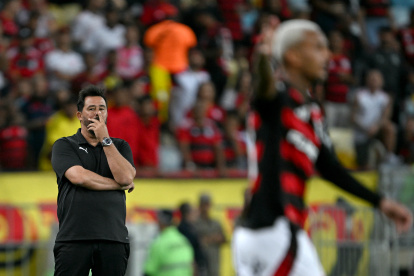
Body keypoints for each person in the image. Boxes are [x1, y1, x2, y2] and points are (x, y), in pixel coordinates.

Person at [232, 19, 412, 276]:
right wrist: (264, 58)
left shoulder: (312, 113)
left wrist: (380, 202)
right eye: (318, 47)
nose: (327, 55)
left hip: (276, 234)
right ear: (292, 56)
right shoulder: (276, 100)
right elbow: (262, 90)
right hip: (271, 229)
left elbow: (332, 169)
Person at [51, 85, 136, 275]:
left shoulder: (120, 146)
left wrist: (105, 139)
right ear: (80, 115)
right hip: (74, 238)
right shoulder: (64, 145)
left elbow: (126, 176)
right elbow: (79, 177)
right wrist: (118, 185)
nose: (97, 113)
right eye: (91, 109)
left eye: (102, 108)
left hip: (113, 239)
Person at [351, 69, 399, 169]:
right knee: (365, 165)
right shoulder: (359, 95)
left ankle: (389, 156)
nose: (374, 81)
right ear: (367, 80)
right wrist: (365, 128)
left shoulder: (385, 97)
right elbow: (352, 117)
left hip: (377, 131)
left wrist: (376, 128)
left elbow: (386, 116)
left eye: (377, 79)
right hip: (362, 131)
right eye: (372, 79)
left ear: (382, 81)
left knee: (390, 127)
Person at [144, 209, 194, 276]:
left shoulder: (159, 243)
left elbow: (149, 270)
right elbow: (192, 265)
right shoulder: (183, 240)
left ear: (160, 223)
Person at [194, 193, 226, 276]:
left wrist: (208, 239)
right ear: (199, 206)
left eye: (207, 204)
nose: (206, 207)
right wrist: (213, 238)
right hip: (201, 264)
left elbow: (223, 239)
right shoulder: (195, 223)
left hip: (214, 263)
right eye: (203, 204)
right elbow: (196, 241)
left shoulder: (216, 223)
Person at [178, 202, 208, 276]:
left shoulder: (190, 228)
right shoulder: (184, 230)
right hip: (193, 267)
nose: (197, 214)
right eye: (193, 211)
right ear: (187, 214)